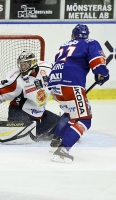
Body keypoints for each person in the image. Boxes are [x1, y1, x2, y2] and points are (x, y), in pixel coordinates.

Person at [0, 50, 64, 144]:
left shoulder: (48, 69)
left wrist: (64, 100)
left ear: (32, 63)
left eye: (25, 65)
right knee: (28, 133)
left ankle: (40, 129)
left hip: (39, 114)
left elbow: (57, 84)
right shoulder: (16, 79)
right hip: (19, 112)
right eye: (21, 65)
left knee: (65, 127)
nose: (22, 67)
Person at [47, 24, 109, 163]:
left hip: (55, 84)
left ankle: (56, 141)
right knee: (84, 119)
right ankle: (62, 151)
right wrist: (102, 74)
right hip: (71, 83)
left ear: (72, 35)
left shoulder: (64, 45)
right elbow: (98, 63)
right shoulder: (90, 42)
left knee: (71, 113)